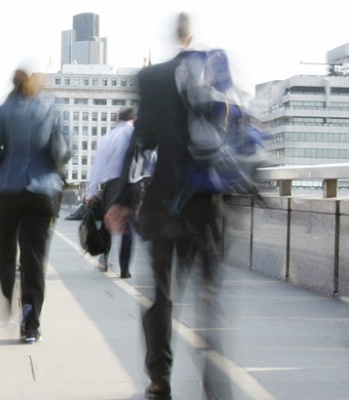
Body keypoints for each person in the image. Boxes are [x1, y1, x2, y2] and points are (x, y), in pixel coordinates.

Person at [108, 13, 230, 400]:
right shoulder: (215, 72)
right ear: (191, 36)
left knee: (161, 295)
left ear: (173, 36)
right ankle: (215, 382)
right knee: (208, 298)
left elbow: (141, 140)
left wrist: (123, 201)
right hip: (209, 204)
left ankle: (160, 379)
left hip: (165, 202)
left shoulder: (153, 77)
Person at [0, 69, 72, 344]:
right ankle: (31, 322)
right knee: (34, 258)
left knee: (6, 251)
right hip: (42, 192)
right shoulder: (50, 108)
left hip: (8, 191)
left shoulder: (3, 110)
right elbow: (63, 149)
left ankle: (8, 291)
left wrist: (7, 165)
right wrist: (49, 167)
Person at [86, 108, 136, 278]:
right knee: (128, 225)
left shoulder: (108, 137)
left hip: (112, 184)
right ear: (133, 118)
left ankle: (104, 257)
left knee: (108, 222)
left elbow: (98, 167)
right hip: (132, 182)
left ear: (118, 119)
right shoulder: (136, 134)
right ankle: (124, 268)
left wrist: (92, 192)